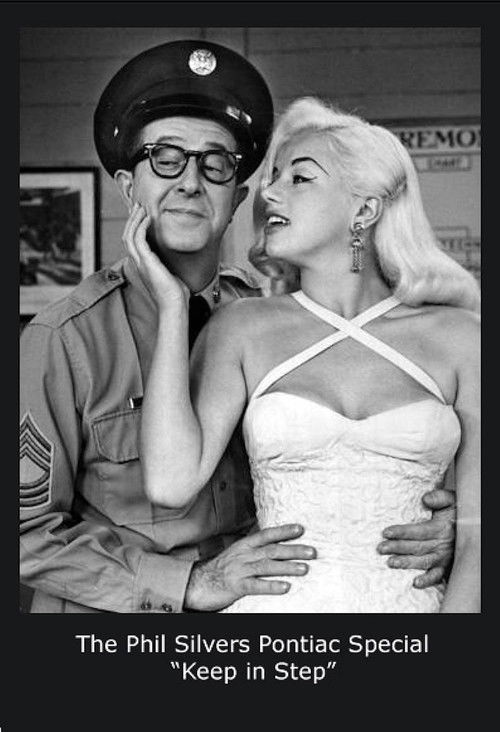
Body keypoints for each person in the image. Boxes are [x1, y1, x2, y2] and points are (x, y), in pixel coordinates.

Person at [20, 40, 455, 614]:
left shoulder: (275, 320)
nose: (190, 182)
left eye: (215, 163)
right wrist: (189, 583)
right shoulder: (65, 338)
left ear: (238, 196)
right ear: (129, 187)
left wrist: (447, 520)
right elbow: (26, 535)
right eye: (166, 158)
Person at [127, 97, 480, 613]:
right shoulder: (240, 328)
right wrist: (172, 304)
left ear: (365, 210)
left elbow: (479, 542)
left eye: (299, 178)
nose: (268, 192)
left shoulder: (463, 339)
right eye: (273, 178)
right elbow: (169, 483)